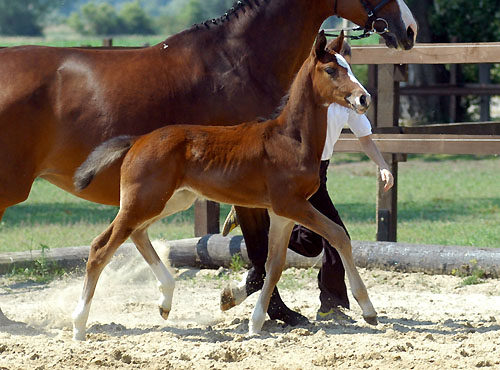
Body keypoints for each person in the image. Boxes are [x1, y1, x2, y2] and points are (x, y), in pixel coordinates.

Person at [222, 43, 394, 322]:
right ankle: (332, 304)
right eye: (338, 71)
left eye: (348, 71)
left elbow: (365, 138)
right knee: (338, 236)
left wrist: (383, 166)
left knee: (310, 242)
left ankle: (252, 228)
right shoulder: (312, 95)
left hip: (317, 173)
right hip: (294, 171)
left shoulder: (348, 101)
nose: (346, 79)